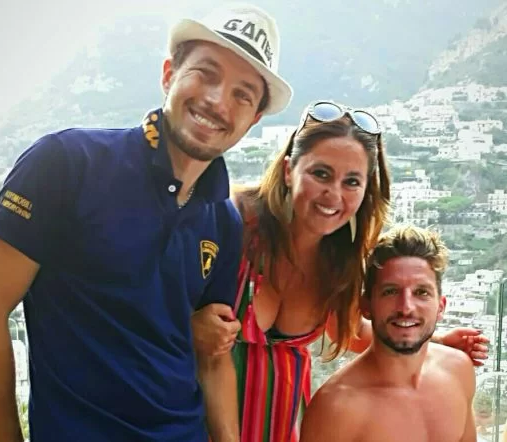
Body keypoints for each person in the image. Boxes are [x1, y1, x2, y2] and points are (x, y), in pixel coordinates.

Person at [0, 3, 293, 441]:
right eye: (206, 73)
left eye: (242, 95)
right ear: (169, 74)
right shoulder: (66, 164)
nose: (217, 101)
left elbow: (211, 358)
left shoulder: (223, 221)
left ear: (253, 120)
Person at [190, 101, 489, 442]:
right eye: (321, 174)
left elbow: (352, 331)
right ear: (289, 170)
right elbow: (162, 298)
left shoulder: (339, 260)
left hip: (278, 424)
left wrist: (432, 339)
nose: (333, 194)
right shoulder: (233, 224)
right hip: (197, 417)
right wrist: (189, 325)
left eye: (351, 181)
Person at [300, 225, 476, 442]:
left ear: (440, 307)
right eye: (390, 291)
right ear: (366, 306)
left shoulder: (459, 370)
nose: (406, 307)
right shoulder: (337, 407)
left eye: (421, 292)